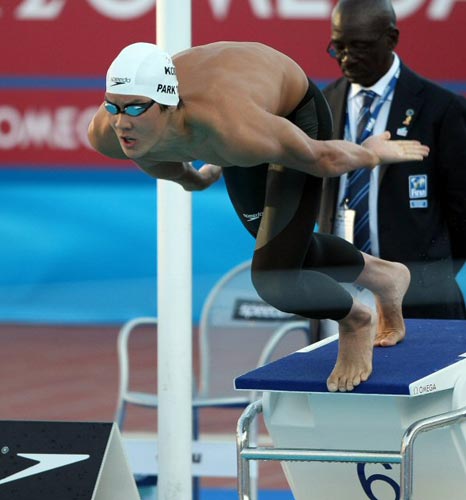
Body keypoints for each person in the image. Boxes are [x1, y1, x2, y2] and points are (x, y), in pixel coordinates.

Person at [88, 41, 429, 392]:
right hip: (238, 108)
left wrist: (368, 154)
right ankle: (386, 277)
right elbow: (154, 158)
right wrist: (196, 179)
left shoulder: (233, 129)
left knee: (275, 278)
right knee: (283, 248)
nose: (120, 122)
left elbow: (322, 158)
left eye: (133, 109)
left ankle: (356, 320)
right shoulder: (109, 132)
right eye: (112, 105)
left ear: (167, 104)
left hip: (291, 112)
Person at [320, 0, 466, 322]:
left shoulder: (440, 109)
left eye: (358, 46)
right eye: (338, 47)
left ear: (391, 38)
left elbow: (461, 211)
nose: (346, 58)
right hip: (340, 299)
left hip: (420, 301)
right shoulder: (322, 105)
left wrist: (430, 275)